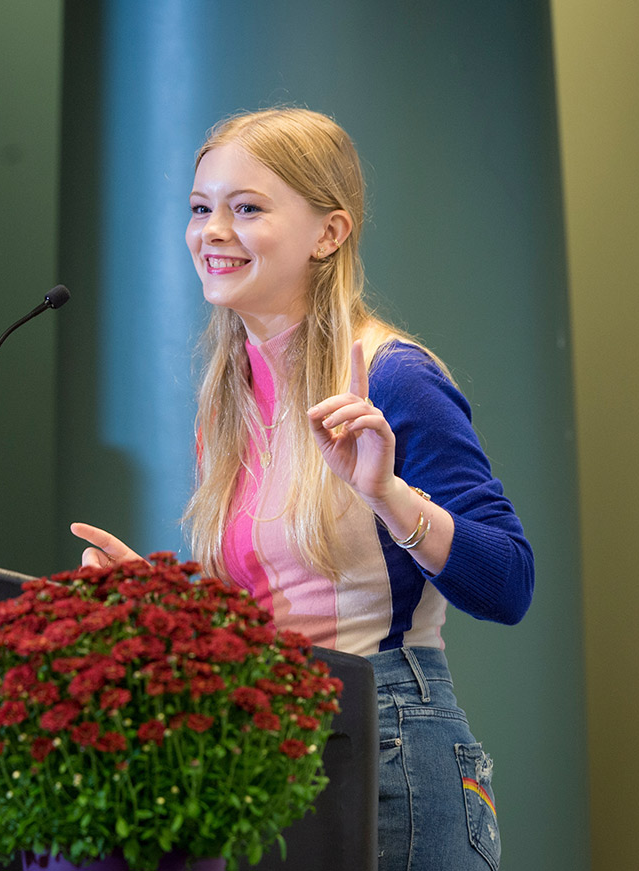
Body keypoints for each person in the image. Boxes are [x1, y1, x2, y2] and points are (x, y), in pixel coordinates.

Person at [72, 107, 533, 871]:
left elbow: (510, 583)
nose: (212, 230)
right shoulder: (228, 397)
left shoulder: (393, 377)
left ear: (329, 232)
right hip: (275, 744)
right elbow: (278, 608)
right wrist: (159, 605)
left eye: (246, 208)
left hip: (390, 744)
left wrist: (387, 492)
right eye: (200, 208)